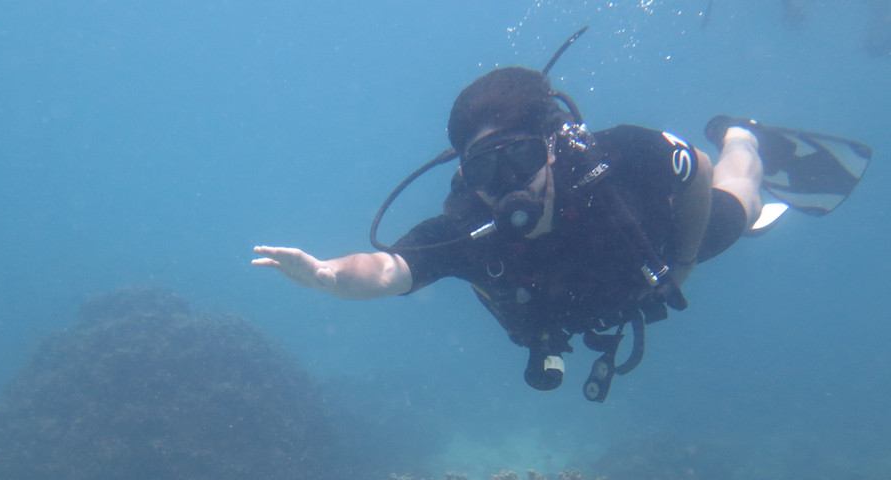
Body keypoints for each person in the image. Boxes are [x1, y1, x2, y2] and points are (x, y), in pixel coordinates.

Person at [253, 37, 869, 401]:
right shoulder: (468, 228)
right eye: (484, 173)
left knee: (743, 197)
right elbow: (390, 269)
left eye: (519, 158)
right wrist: (330, 276)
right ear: (465, 176)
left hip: (657, 242)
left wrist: (681, 264)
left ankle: (747, 136)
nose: (506, 188)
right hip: (592, 299)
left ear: (551, 144)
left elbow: (697, 173)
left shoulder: (621, 153)